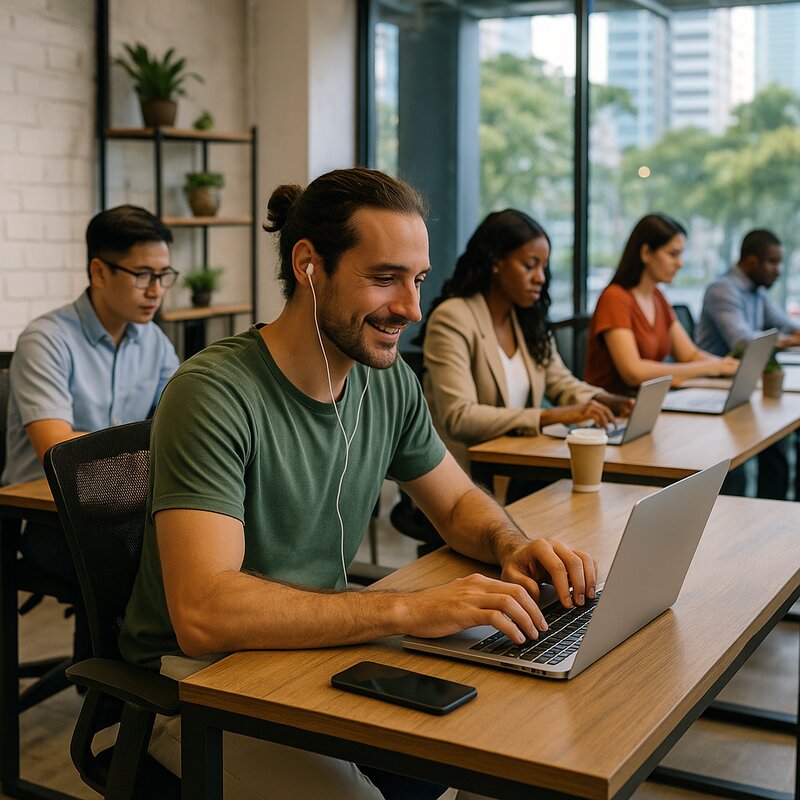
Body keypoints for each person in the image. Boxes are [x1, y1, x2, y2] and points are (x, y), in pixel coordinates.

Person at [119, 168, 597, 800]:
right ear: (310, 265)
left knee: (488, 754)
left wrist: (511, 546)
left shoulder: (386, 379)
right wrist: (409, 608)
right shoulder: (213, 394)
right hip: (196, 690)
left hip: (315, 657)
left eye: (418, 279)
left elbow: (454, 504)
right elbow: (204, 613)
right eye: (384, 278)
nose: (411, 308)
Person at [2, 204, 179, 659]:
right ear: (99, 271)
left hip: (130, 510)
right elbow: (60, 454)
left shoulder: (154, 342)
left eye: (164, 275)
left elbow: (179, 435)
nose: (156, 291)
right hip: (51, 523)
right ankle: (120, 693)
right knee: (168, 562)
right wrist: (140, 451)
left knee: (201, 542)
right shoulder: (48, 340)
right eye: (143, 274)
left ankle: (133, 688)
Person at [418, 209, 632, 478]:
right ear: (496, 261)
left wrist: (606, 400)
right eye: (530, 265)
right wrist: (550, 416)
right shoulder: (452, 318)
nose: (540, 277)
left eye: (543, 267)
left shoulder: (526, 320)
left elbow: (560, 382)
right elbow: (461, 417)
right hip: (464, 477)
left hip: (519, 466)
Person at [584, 213, 739, 395]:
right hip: (614, 411)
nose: (679, 263)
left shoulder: (657, 297)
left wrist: (726, 366)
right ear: (646, 253)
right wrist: (712, 368)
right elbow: (633, 373)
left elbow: (689, 355)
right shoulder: (614, 298)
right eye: (673, 254)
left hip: (650, 404)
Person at [696, 229, 799, 499]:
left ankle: (776, 517)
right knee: (743, 465)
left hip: (744, 386)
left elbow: (787, 325)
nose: (778, 270)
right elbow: (742, 342)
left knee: (780, 440)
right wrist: (786, 341)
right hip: (714, 387)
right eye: (773, 262)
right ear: (752, 262)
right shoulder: (723, 289)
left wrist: (789, 335)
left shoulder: (758, 292)